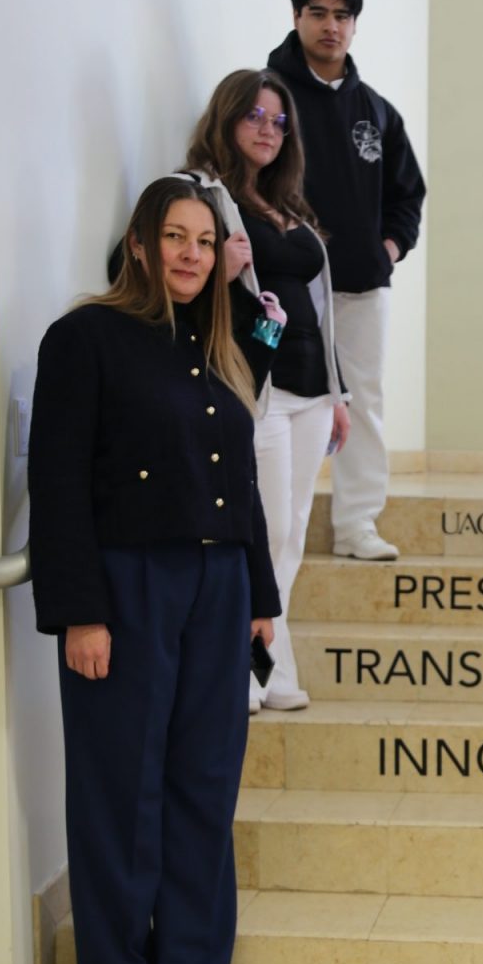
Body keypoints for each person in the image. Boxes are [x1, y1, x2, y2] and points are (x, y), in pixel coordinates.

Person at [28, 177, 281, 964]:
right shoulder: (84, 338)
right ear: (138, 243)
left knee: (204, 786)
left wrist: (261, 598)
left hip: (219, 589)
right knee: (120, 790)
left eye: (204, 242)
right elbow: (58, 484)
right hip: (127, 586)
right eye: (175, 236)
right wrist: (80, 613)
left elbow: (240, 482)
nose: (190, 254)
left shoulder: (220, 347)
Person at [185, 68, 350, 711]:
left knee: (296, 531)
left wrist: (338, 394)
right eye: (254, 115)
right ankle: (242, 669)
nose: (268, 130)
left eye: (279, 121)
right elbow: (142, 264)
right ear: (226, 118)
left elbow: (318, 306)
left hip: (313, 389)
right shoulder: (202, 195)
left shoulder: (289, 206)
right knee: (268, 530)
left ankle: (272, 670)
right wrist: (216, 269)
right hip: (259, 388)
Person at [268, 0, 426, 562]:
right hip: (286, 286)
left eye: (342, 15)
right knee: (280, 398)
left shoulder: (376, 111)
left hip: (361, 285)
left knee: (362, 401)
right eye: (318, 13)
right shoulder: (268, 99)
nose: (330, 26)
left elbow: (408, 195)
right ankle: (275, 524)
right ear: (296, 18)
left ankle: (357, 523)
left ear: (354, 25)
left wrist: (388, 249)